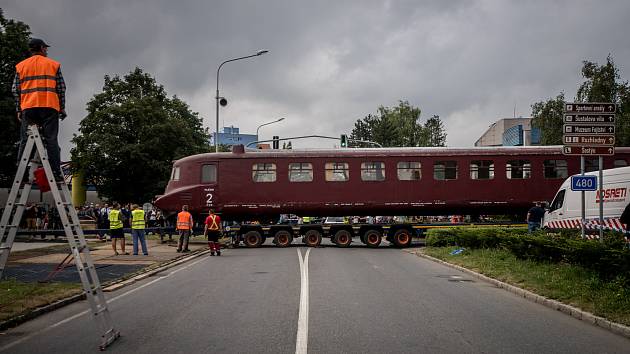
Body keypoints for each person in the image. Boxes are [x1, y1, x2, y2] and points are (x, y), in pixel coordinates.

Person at [13, 38, 66, 180]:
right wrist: (62, 108)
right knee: (51, 139)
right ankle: (56, 172)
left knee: (25, 138)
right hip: (49, 107)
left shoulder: (21, 66)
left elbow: (15, 90)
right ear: (42, 48)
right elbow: (61, 88)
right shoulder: (53, 64)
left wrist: (19, 109)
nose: (47, 51)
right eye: (45, 48)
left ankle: (21, 172)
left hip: (29, 108)